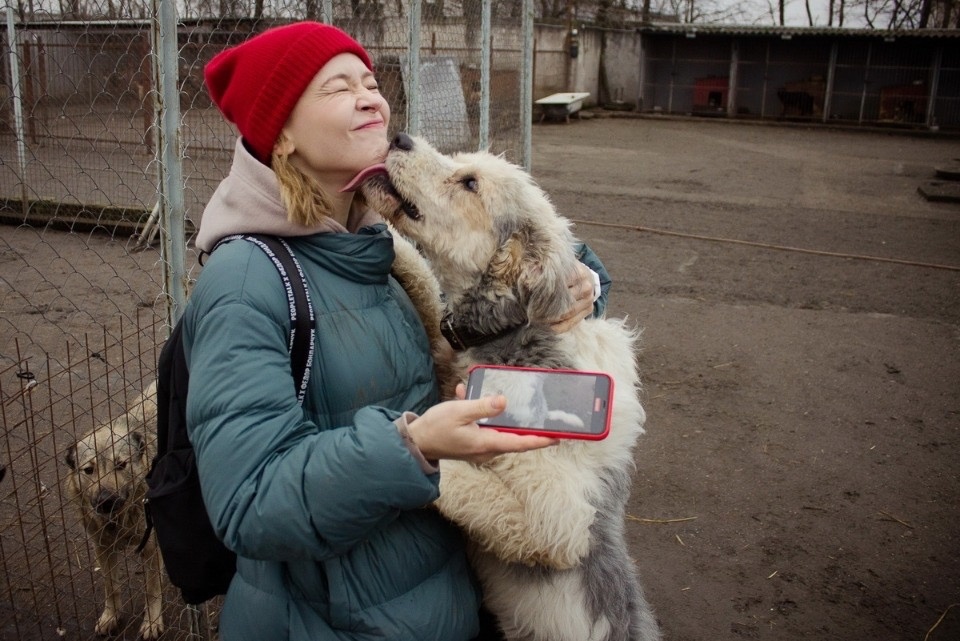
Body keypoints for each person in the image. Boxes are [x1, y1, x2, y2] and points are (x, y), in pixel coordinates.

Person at [184, 21, 612, 641]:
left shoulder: (373, 242)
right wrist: (414, 448)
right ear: (281, 131)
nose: (371, 98)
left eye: (369, 81)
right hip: (333, 622)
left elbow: (499, 265)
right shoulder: (246, 280)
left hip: (439, 602)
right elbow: (250, 500)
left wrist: (586, 282)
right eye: (337, 87)